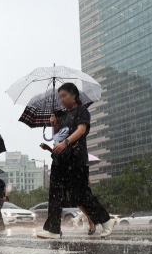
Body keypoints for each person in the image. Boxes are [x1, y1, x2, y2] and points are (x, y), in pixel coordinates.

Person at [36, 83, 115, 239]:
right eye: (60, 97)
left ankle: (106, 220)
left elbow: (81, 130)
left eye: (64, 95)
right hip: (61, 161)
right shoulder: (64, 116)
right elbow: (60, 136)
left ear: (74, 95)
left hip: (76, 160)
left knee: (80, 195)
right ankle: (53, 229)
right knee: (55, 193)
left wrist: (66, 143)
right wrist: (55, 124)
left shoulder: (82, 111)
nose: (61, 99)